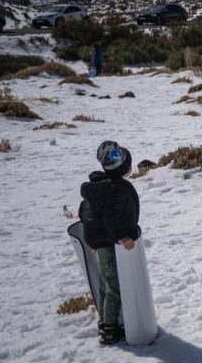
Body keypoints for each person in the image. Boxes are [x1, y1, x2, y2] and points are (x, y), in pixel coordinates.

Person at [78, 140, 140, 345]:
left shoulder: (104, 187)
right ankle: (109, 330)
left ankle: (105, 320)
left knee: (106, 283)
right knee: (113, 285)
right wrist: (122, 237)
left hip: (101, 242)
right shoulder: (116, 190)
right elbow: (110, 218)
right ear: (123, 167)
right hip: (110, 243)